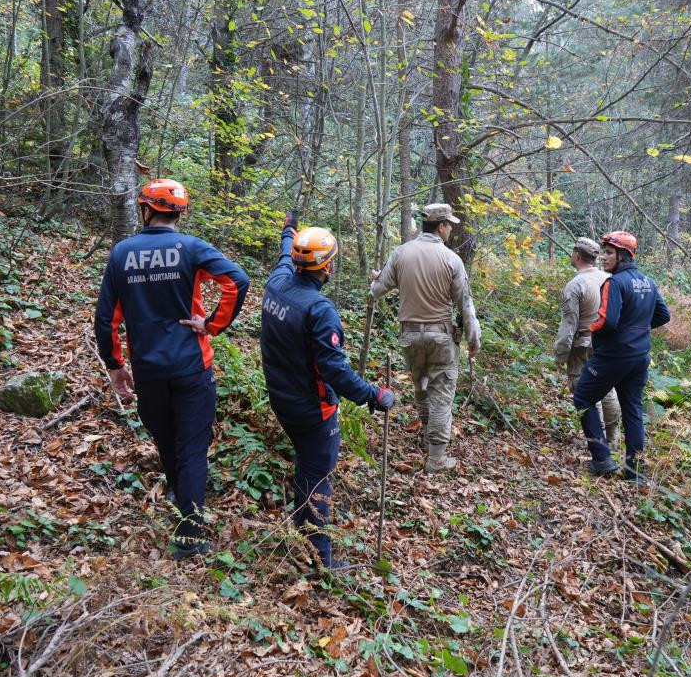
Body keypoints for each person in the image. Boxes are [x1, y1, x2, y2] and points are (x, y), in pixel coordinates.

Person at [94, 179, 250, 559]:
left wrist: (115, 366)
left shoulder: (122, 254)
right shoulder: (191, 248)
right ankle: (191, 534)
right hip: (192, 365)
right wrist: (211, 325)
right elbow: (237, 281)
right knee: (192, 448)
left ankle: (184, 500)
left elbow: (105, 319)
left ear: (146, 210)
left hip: (148, 368)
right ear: (180, 213)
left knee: (166, 439)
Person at [260, 213, 395, 570]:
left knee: (307, 467)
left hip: (281, 397)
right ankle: (320, 558)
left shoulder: (278, 283)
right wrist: (373, 395)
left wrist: (288, 230)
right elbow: (334, 369)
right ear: (328, 267)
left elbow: (284, 253)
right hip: (311, 408)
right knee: (317, 476)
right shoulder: (320, 311)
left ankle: (301, 534)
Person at [370, 203, 481, 473]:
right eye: (449, 224)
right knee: (441, 393)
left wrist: (380, 279)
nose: (451, 229)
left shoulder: (401, 253)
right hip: (441, 338)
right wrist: (473, 338)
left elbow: (376, 290)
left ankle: (426, 435)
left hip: (410, 336)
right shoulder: (451, 259)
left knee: (421, 386)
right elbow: (465, 304)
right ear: (441, 226)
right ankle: (436, 458)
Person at [572, 231, 670, 482]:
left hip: (614, 355)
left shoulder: (614, 283)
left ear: (623, 256)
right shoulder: (648, 282)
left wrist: (591, 330)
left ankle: (602, 459)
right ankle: (635, 472)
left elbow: (607, 322)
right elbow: (663, 315)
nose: (604, 258)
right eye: (604, 252)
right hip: (640, 356)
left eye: (609, 252)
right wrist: (638, 328)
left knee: (583, 395)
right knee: (633, 408)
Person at [554, 237, 621, 445]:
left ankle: (596, 440)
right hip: (607, 344)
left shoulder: (575, 285)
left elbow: (569, 324)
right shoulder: (608, 279)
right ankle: (613, 438)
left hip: (583, 345)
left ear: (577, 255)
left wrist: (561, 353)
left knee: (585, 390)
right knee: (608, 388)